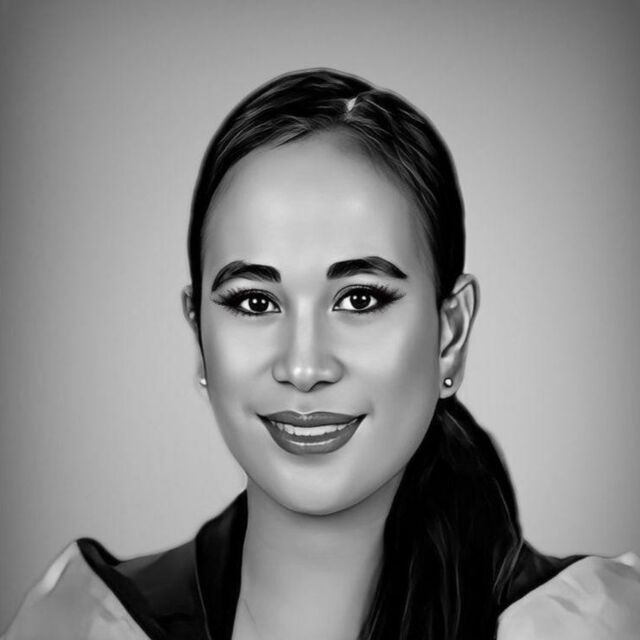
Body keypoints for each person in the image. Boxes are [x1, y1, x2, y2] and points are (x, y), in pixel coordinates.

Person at [3, 68, 639, 640]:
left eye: (360, 299)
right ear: (199, 334)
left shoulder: (591, 625)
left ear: (450, 332)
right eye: (255, 302)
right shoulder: (81, 624)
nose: (304, 368)